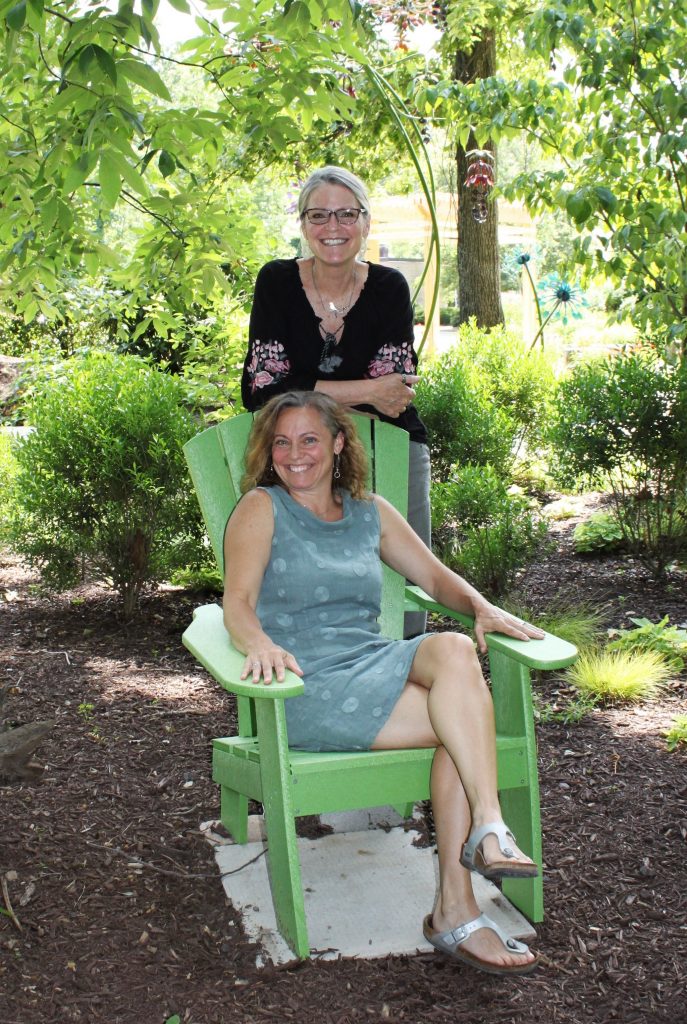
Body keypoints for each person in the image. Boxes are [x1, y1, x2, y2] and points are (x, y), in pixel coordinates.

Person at [223, 390, 546, 976]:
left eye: (310, 439)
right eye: (282, 442)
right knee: (464, 725)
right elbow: (237, 605)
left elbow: (435, 577)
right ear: (269, 454)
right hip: (303, 685)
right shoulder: (260, 508)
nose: (295, 454)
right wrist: (261, 644)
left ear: (340, 443)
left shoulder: (370, 511)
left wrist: (481, 608)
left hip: (372, 662)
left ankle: (481, 848)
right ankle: (462, 896)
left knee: (452, 655)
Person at [240, 165, 430, 636]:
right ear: (303, 225)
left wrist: (301, 389)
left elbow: (396, 396)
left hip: (390, 446)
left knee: (405, 586)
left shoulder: (388, 289)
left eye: (347, 214)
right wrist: (364, 390)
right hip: (297, 452)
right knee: (296, 579)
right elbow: (261, 390)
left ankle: (403, 667)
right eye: (319, 215)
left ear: (366, 223)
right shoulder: (277, 284)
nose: (333, 228)